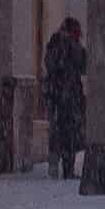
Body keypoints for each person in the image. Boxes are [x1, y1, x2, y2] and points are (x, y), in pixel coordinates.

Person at [43, 17, 87, 180]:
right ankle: (67, 168)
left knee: (57, 131)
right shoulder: (73, 46)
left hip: (56, 94)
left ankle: (54, 165)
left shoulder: (54, 43)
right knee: (70, 133)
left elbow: (49, 64)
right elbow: (84, 65)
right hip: (70, 96)